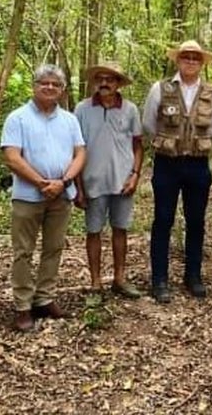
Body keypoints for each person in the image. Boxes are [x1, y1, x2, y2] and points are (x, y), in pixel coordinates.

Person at [0, 64, 86, 331]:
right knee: (23, 251)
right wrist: (41, 182)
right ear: (34, 85)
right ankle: (23, 306)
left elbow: (80, 153)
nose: (49, 87)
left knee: (54, 248)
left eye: (55, 84)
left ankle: (44, 298)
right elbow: (12, 156)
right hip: (27, 196)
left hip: (61, 195)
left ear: (62, 90)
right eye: (43, 83)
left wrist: (64, 182)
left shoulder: (70, 120)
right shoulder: (18, 118)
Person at [142, 40, 212, 303]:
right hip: (167, 162)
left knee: (196, 221)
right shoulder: (161, 88)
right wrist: (170, 141)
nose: (190, 61)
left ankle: (193, 275)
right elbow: (149, 123)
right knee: (163, 220)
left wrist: (192, 144)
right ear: (178, 60)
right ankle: (160, 280)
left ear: (201, 63)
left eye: (195, 58)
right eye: (186, 57)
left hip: (197, 164)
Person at [74, 61, 144, 298]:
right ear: (95, 82)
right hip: (92, 180)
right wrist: (78, 187)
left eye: (110, 79)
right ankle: (95, 282)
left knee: (120, 229)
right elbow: (75, 148)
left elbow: (137, 146)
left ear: (118, 83)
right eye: (100, 79)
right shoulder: (82, 109)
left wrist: (135, 175)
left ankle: (119, 278)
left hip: (122, 181)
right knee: (93, 231)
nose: (104, 83)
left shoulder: (130, 109)